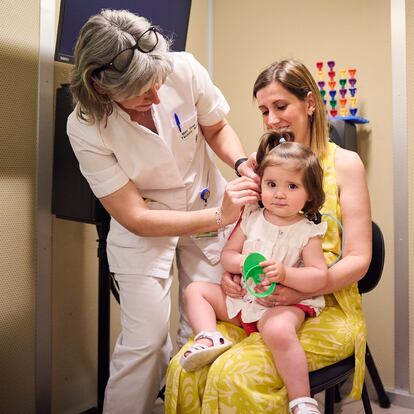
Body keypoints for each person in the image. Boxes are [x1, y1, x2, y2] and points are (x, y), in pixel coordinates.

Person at [67, 9, 259, 414]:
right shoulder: (85, 127)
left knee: (205, 334)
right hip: (147, 229)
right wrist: (220, 217)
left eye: (158, 84)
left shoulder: (182, 69)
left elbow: (215, 127)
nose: (156, 97)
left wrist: (241, 164)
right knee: (146, 344)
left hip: (206, 202)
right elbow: (134, 216)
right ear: (100, 88)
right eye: (141, 93)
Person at [165, 58, 372, 414]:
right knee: (184, 367)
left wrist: (299, 288)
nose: (272, 119)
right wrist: (233, 274)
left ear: (309, 103)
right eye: (264, 110)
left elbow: (359, 259)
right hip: (254, 300)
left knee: (232, 375)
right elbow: (244, 240)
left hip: (323, 305)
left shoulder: (344, 164)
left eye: (280, 106)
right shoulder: (265, 172)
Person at [179, 132, 329, 413]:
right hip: (244, 299)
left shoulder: (307, 231)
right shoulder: (251, 217)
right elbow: (228, 256)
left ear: (310, 194)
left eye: (292, 186)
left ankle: (301, 399)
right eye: (271, 184)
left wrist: (285, 274)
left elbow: (318, 276)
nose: (279, 193)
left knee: (277, 330)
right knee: (195, 290)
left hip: (282, 303)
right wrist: (241, 264)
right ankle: (209, 336)